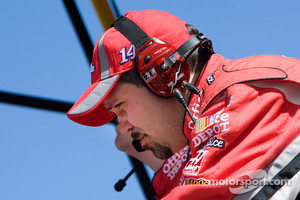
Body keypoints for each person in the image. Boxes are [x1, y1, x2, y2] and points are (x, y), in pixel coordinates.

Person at [67, 10, 300, 200]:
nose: (124, 127)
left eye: (120, 106)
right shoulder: (213, 109)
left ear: (164, 75)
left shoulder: (251, 98)